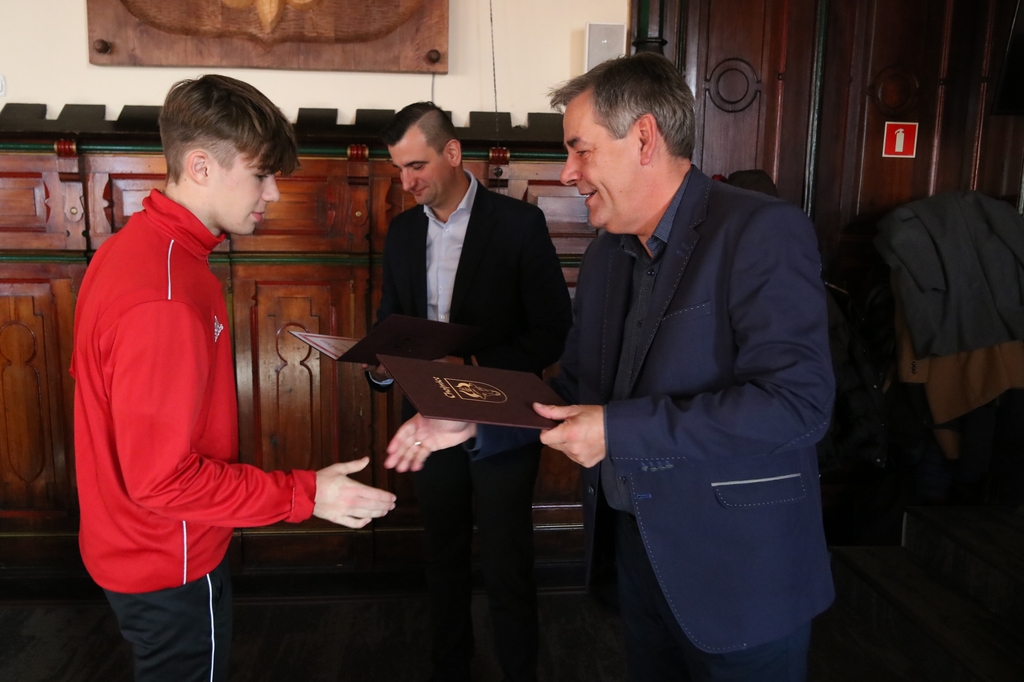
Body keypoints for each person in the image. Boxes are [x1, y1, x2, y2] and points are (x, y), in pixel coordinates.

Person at [384, 54, 836, 682]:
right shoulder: (604, 257)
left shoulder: (760, 230)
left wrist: (615, 430)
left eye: (581, 150)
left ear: (644, 138)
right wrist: (472, 417)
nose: (568, 172)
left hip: (739, 575)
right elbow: (570, 392)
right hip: (635, 559)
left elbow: (796, 405)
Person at [71, 74, 397, 682]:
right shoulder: (165, 293)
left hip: (138, 546)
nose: (272, 192)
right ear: (200, 166)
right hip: (167, 558)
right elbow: (161, 480)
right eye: (261, 174)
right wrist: (306, 495)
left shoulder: (134, 249)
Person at [369, 102, 572, 682]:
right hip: (427, 419)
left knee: (508, 562)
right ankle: (449, 669)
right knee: (443, 556)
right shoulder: (403, 232)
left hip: (501, 419)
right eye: (398, 169)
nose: (406, 182)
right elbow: (391, 321)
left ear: (453, 152)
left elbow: (553, 329)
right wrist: (381, 367)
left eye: (416, 166)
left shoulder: (519, 224)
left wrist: (473, 367)